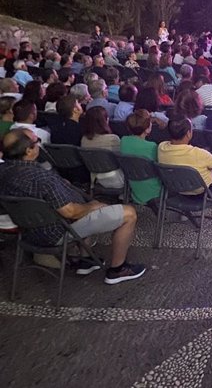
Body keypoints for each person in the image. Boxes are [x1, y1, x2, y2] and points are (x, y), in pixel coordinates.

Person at [0, 129, 145, 284]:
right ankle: (118, 270)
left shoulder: (4, 171)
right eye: (37, 142)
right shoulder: (42, 178)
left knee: (82, 205)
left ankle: (86, 260)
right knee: (129, 213)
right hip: (57, 231)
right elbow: (71, 212)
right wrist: (92, 206)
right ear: (29, 151)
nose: (39, 145)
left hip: (27, 231)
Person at [120, 109, 161, 206]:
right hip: (154, 189)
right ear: (147, 129)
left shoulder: (123, 141)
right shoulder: (152, 146)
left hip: (133, 185)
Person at [81, 106, 125, 189]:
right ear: (106, 121)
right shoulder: (113, 139)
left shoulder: (84, 139)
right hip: (117, 179)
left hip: (96, 179)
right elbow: (121, 161)